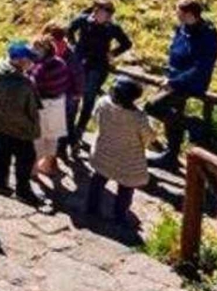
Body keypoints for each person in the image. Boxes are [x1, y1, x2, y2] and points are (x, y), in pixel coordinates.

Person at [147, 0, 217, 171]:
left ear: (189, 14)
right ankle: (170, 155)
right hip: (173, 78)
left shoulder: (207, 35)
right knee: (172, 116)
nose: (176, 15)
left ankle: (193, 125)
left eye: (179, 12)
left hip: (190, 83)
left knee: (153, 106)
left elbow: (201, 66)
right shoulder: (183, 28)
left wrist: (175, 82)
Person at [85, 76, 156, 220]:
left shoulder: (103, 103)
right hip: (128, 159)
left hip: (103, 151)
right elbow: (149, 137)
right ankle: (119, 216)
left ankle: (91, 208)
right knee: (126, 188)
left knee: (98, 180)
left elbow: (94, 118)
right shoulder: (138, 117)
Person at [67, 0, 132, 141]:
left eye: (109, 14)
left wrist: (113, 53)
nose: (107, 17)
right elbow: (70, 29)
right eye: (104, 13)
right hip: (80, 63)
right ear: (96, 11)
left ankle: (80, 129)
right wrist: (74, 45)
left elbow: (126, 43)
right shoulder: (83, 20)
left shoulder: (112, 27)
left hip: (98, 66)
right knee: (74, 97)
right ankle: (69, 130)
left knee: (88, 98)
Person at [0, 41, 41, 203]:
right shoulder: (23, 84)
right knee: (26, 158)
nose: (32, 63)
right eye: (29, 59)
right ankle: (23, 192)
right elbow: (31, 109)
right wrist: (33, 128)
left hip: (0, 123)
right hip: (20, 128)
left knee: (1, 153)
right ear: (18, 60)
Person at [31, 35, 73, 176]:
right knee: (53, 136)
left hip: (43, 105)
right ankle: (47, 165)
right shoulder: (61, 62)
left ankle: (33, 168)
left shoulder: (39, 69)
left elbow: (33, 87)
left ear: (43, 51)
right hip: (58, 103)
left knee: (38, 138)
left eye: (35, 49)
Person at [42, 22, 84, 160]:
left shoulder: (59, 53)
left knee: (61, 124)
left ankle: (59, 151)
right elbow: (78, 75)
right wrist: (78, 93)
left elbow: (77, 75)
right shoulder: (69, 51)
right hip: (70, 95)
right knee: (67, 123)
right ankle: (67, 147)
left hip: (63, 96)